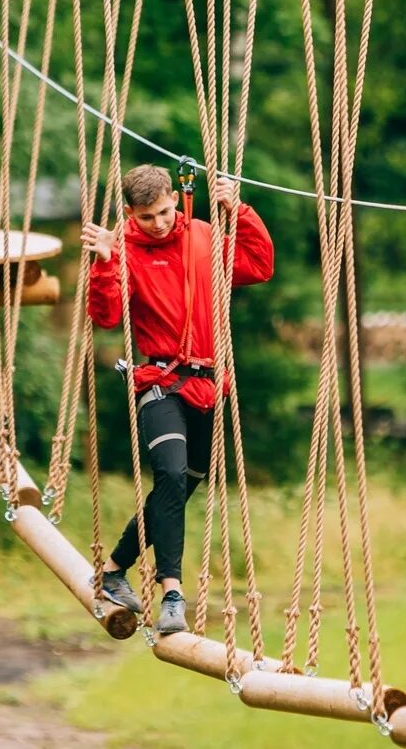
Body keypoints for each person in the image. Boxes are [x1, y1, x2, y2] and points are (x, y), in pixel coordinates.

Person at [82, 164, 274, 634]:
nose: (160, 224)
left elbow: (259, 266)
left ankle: (112, 568)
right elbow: (105, 316)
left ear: (176, 199)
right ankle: (172, 592)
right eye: (147, 218)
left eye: (165, 212)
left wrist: (239, 210)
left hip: (208, 384)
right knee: (168, 473)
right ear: (131, 214)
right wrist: (105, 261)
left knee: (181, 485)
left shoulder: (203, 237)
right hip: (160, 382)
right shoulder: (123, 250)